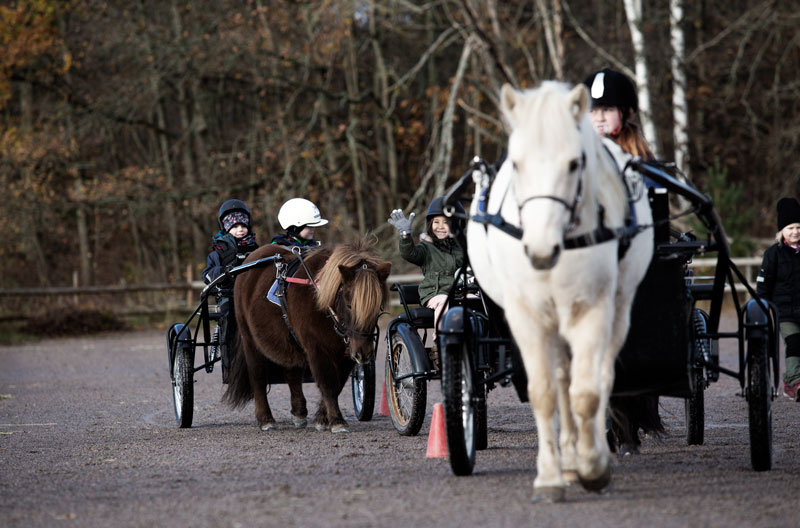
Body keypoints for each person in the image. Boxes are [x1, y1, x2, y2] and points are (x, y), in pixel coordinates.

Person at [584, 68, 665, 454]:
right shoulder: (575, 158)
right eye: (592, 110)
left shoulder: (641, 158)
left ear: (627, 113)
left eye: (607, 109)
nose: (598, 117)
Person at [388, 197, 464, 353]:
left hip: (460, 293)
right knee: (444, 302)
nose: (441, 226)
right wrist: (405, 236)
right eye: (437, 222)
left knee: (480, 302)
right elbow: (410, 254)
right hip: (435, 294)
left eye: (446, 222)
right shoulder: (426, 248)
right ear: (430, 224)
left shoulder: (462, 248)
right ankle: (441, 343)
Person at [202, 199, 259, 383]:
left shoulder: (257, 250)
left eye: (243, 224)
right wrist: (223, 271)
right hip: (228, 295)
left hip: (253, 296)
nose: (240, 229)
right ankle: (232, 367)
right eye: (234, 225)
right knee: (230, 317)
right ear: (226, 228)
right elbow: (207, 275)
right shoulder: (217, 252)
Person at [756, 197, 800, 401]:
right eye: (790, 227)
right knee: (794, 342)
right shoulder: (772, 254)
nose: (795, 232)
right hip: (785, 312)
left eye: (799, 227)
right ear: (782, 230)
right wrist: (764, 310)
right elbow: (763, 287)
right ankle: (793, 381)